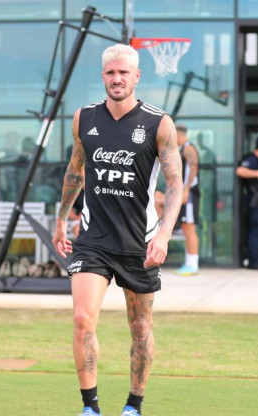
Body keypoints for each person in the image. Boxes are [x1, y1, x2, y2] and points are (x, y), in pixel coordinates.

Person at [52, 43, 182, 416]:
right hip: (93, 239)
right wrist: (61, 218)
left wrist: (163, 233)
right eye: (111, 72)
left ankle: (133, 405)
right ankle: (90, 407)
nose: (117, 78)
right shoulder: (84, 118)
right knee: (82, 319)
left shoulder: (159, 124)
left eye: (124, 72)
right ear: (103, 76)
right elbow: (75, 171)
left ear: (137, 76)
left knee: (140, 328)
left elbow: (175, 185)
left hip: (139, 243)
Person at [236, 135, 258, 270]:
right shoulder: (250, 159)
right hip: (254, 200)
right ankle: (253, 262)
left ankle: (253, 259)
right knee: (255, 230)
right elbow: (240, 171)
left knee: (257, 230)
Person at [174, 124, 201, 276]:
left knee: (189, 228)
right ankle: (189, 262)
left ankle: (193, 265)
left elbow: (193, 169)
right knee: (185, 227)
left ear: (178, 134)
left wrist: (186, 190)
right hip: (186, 192)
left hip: (189, 193)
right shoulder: (183, 148)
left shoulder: (189, 149)